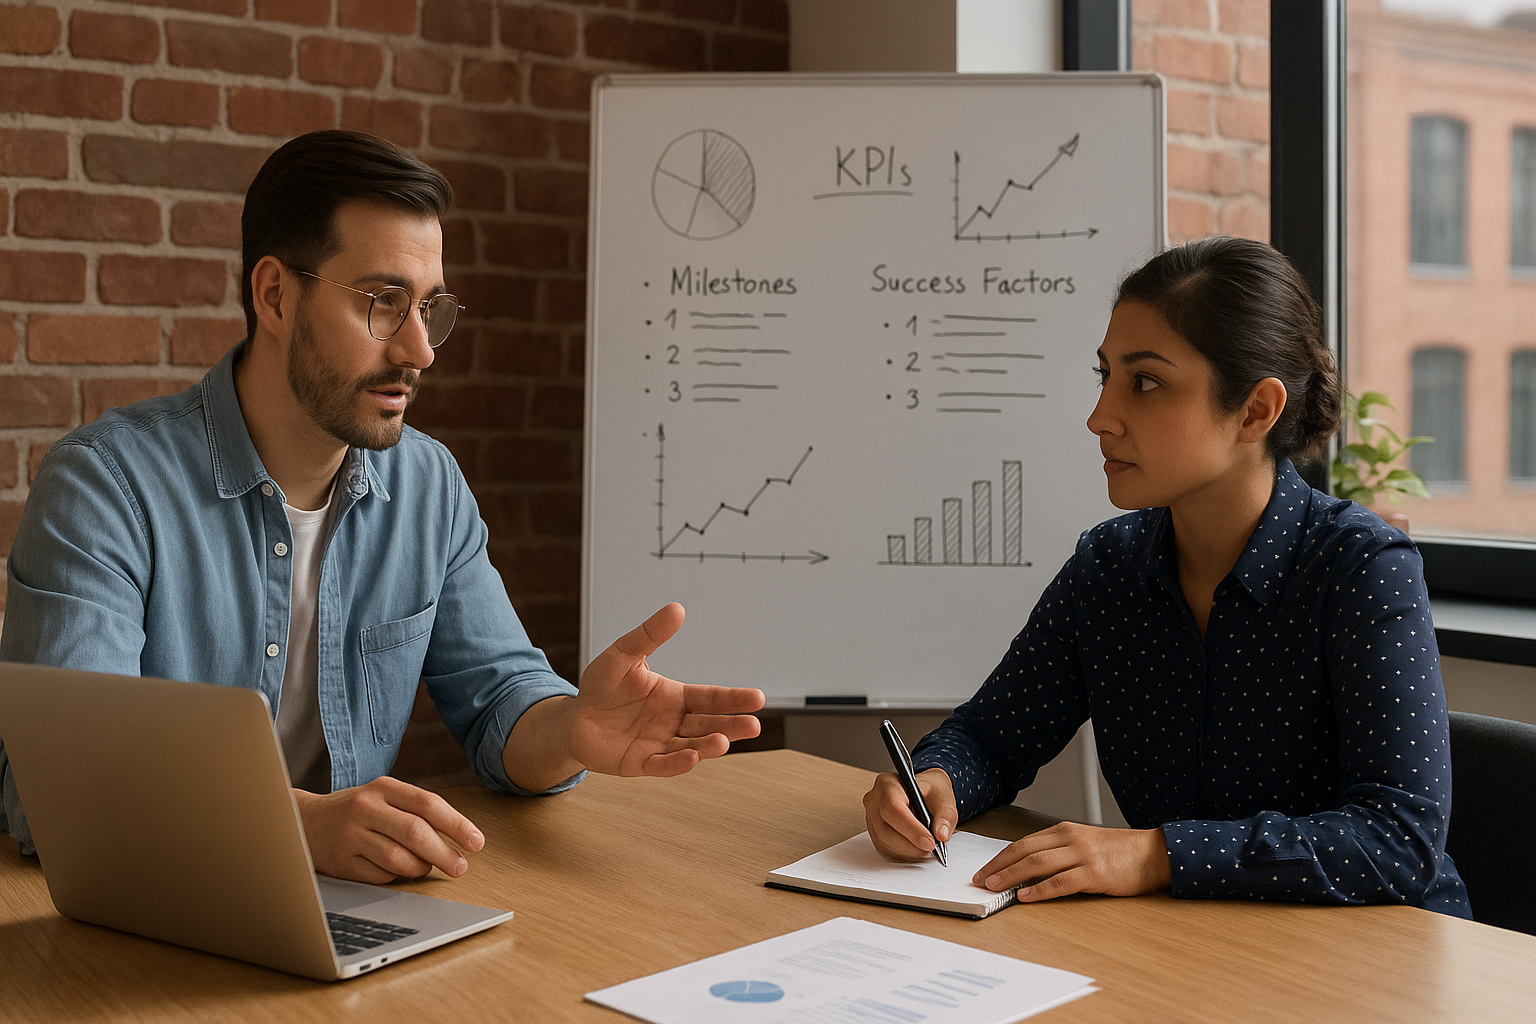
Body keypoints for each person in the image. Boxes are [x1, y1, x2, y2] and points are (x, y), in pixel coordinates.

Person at [0, 130, 764, 884]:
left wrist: (572, 730)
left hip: (344, 912)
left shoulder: (428, 486)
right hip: (138, 920)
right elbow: (60, 790)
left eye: (430, 307)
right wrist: (296, 828)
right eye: (383, 302)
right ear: (274, 295)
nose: (420, 350)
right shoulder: (106, 486)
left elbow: (500, 700)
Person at [862, 236, 1470, 918]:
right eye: (1106, 377)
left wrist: (1158, 853)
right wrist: (934, 781)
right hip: (1195, 947)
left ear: (1255, 411)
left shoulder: (1362, 568)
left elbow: (1398, 840)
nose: (1100, 419)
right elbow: (991, 739)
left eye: (1145, 383)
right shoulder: (1109, 568)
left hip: (1381, 962)